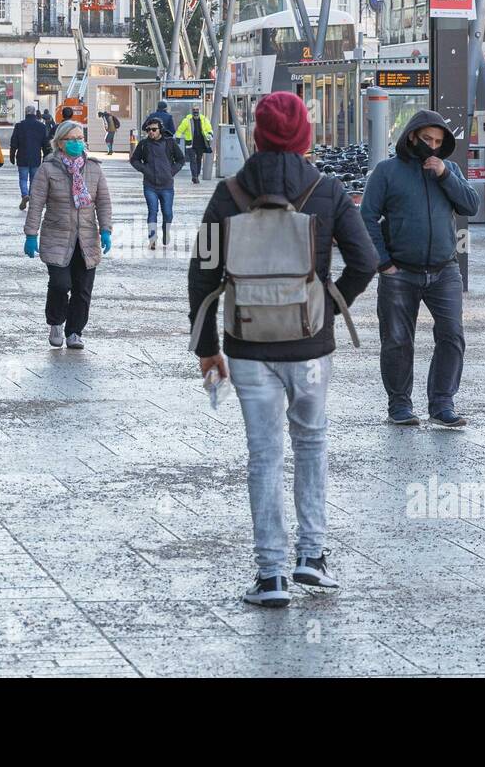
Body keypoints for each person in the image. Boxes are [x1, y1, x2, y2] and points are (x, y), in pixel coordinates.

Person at [187, 92, 378, 608]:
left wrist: (206, 349)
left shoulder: (228, 194)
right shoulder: (328, 190)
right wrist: (330, 308)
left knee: (264, 455)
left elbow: (202, 271)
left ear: (256, 136)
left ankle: (271, 575)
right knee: (311, 444)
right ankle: (311, 559)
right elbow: (366, 260)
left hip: (247, 345)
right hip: (311, 345)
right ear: (305, 139)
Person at [360, 109, 480, 428]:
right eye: (427, 139)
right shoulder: (387, 172)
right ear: (412, 136)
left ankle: (442, 403)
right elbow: (366, 218)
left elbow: (470, 205)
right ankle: (399, 405)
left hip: (444, 269)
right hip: (400, 271)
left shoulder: (448, 169)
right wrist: (383, 263)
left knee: (452, 334)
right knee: (398, 339)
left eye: (438, 141)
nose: (432, 145)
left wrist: (444, 175)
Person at [23, 117, 113, 350]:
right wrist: (31, 234)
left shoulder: (93, 168)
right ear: (60, 143)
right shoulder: (48, 169)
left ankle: (75, 332)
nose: (77, 143)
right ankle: (56, 322)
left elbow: (103, 202)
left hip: (86, 239)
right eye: (71, 139)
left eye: (80, 139)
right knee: (61, 284)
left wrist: (106, 230)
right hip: (57, 237)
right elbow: (36, 204)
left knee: (83, 289)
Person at [128, 115, 185, 250]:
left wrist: (171, 171)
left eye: (154, 129)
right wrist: (145, 169)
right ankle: (152, 239)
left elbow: (181, 159)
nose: (151, 132)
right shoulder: (144, 144)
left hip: (167, 186)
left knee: (168, 213)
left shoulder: (170, 143)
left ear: (160, 130)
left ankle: (166, 231)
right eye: (148, 130)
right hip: (150, 185)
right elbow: (134, 160)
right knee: (152, 211)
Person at [10, 104, 51, 210]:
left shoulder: (19, 126)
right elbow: (45, 144)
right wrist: (46, 156)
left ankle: (24, 195)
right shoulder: (41, 126)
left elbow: (14, 142)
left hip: (22, 157)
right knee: (34, 179)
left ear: (25, 113)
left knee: (23, 178)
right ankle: (31, 197)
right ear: (34, 113)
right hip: (36, 157)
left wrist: (12, 155)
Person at [176, 104, 213, 183]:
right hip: (190, 144)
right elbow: (180, 129)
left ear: (199, 111)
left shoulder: (204, 119)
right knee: (193, 160)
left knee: (199, 159)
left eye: (197, 109)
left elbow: (209, 128)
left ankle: (197, 174)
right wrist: (177, 138)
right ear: (192, 111)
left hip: (201, 143)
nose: (195, 111)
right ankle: (194, 176)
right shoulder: (187, 120)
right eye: (194, 109)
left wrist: (210, 134)